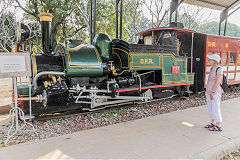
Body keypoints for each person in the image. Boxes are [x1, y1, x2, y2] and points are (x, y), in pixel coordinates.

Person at [204, 54, 223, 131]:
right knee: (210, 108)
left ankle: (218, 125)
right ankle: (212, 123)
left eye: (210, 59)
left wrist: (213, 92)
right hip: (209, 92)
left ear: (215, 61)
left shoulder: (219, 69)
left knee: (215, 108)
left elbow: (218, 82)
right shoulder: (212, 68)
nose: (208, 60)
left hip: (215, 92)